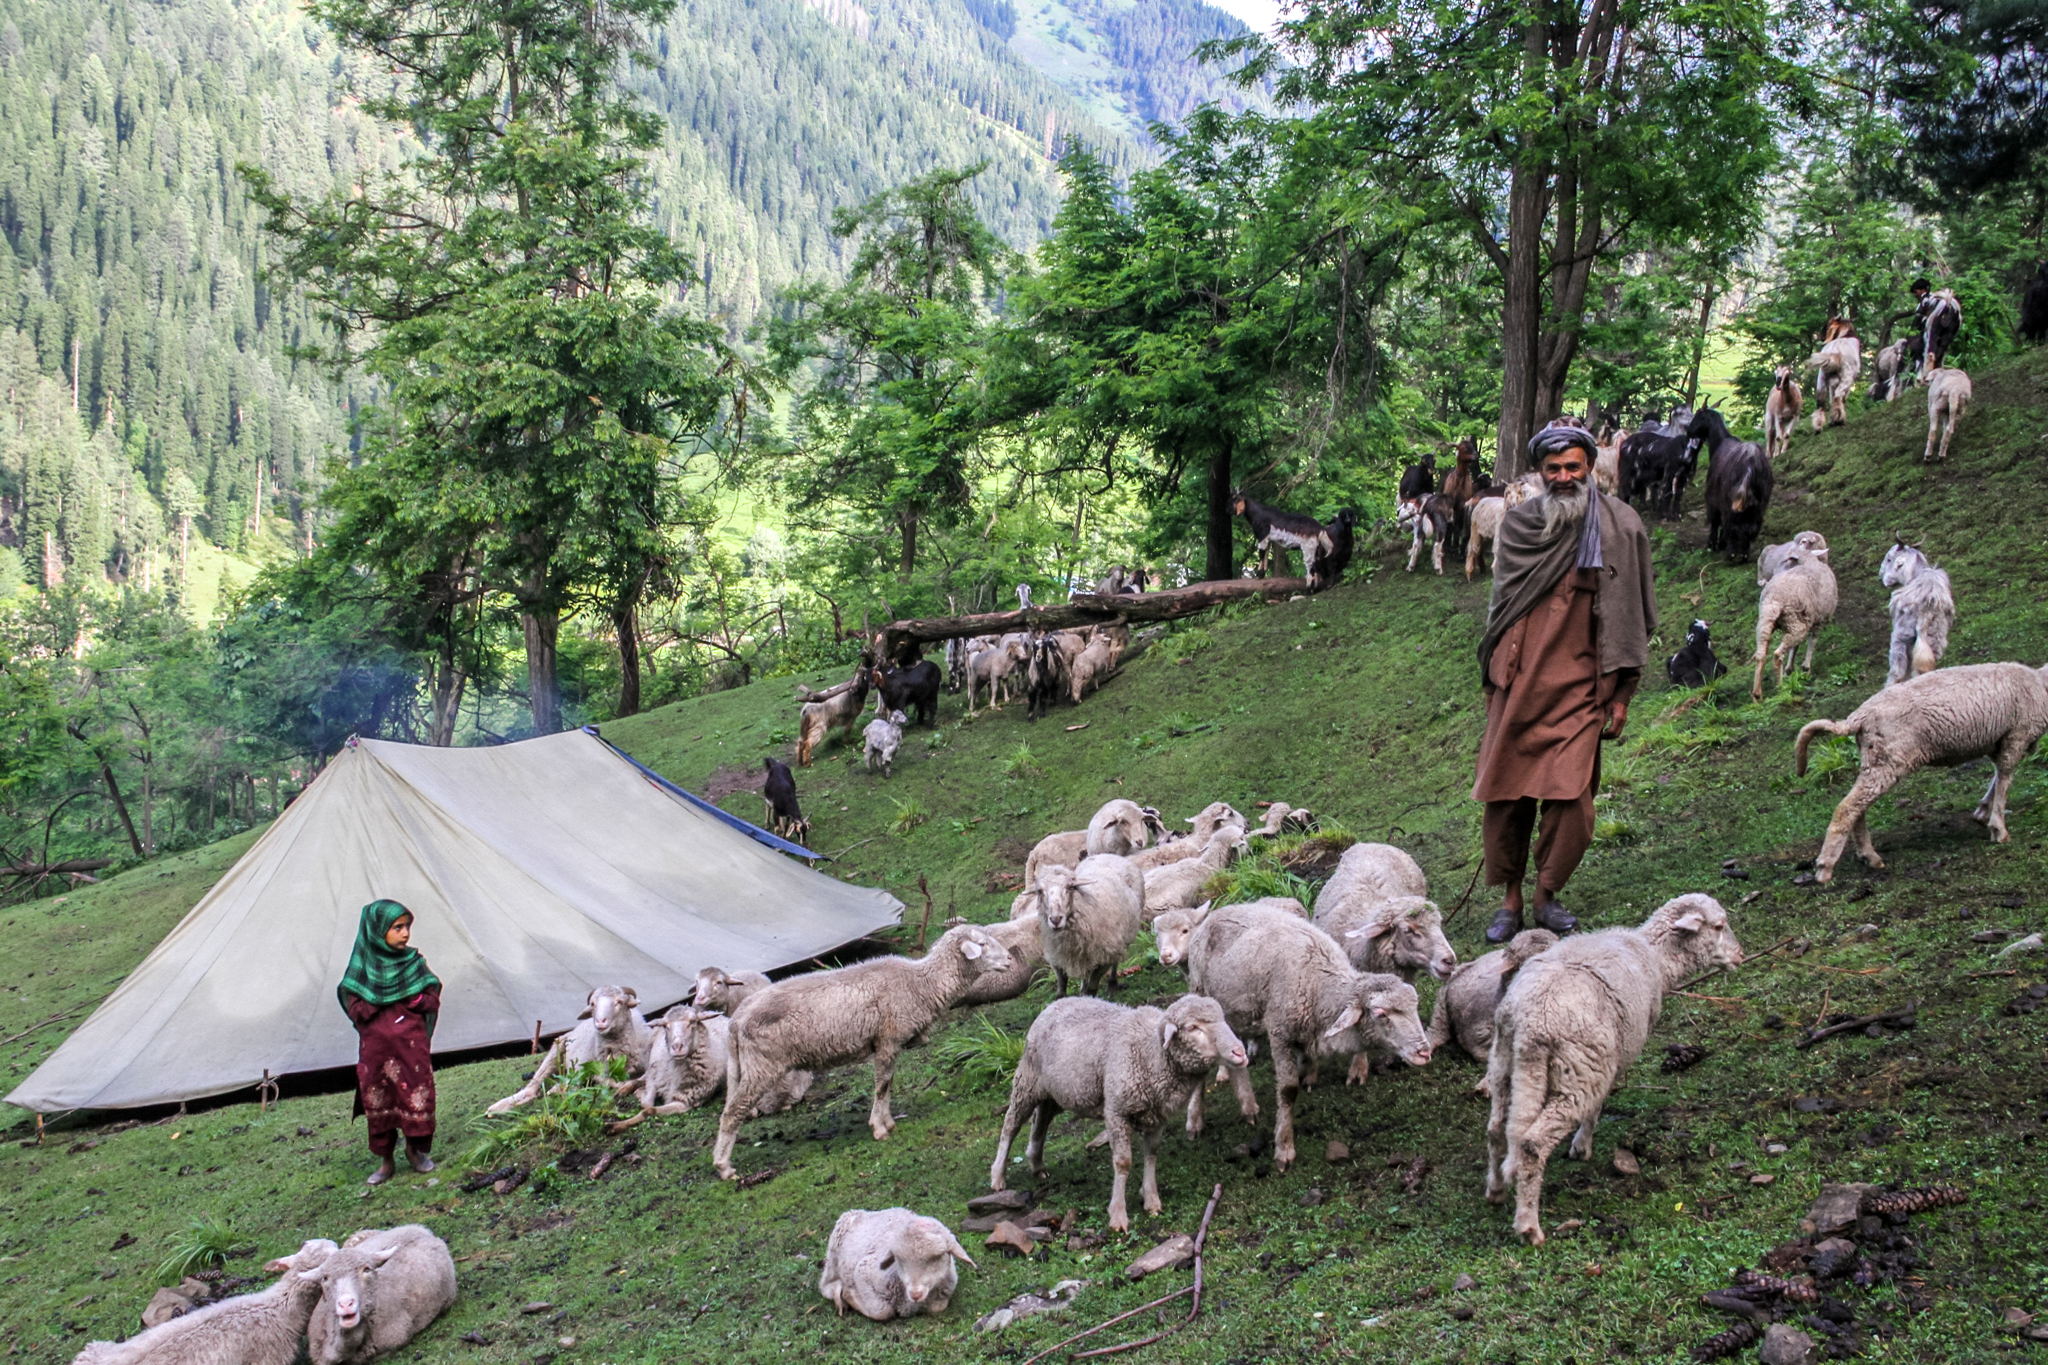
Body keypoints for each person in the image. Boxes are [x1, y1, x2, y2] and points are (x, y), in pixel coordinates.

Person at [1473, 425, 1657, 945]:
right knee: (1507, 798)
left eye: (1572, 467)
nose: (1562, 478)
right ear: (1539, 473)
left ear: (1590, 467)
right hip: (1519, 683)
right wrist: (1492, 680)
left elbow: (1631, 617)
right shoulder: (1520, 526)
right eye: (1552, 469)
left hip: (1580, 688)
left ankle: (1546, 895)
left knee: (1572, 801)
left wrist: (1621, 694)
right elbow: (1500, 611)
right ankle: (1509, 899)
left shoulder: (1621, 526)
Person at [337, 899, 441, 1185]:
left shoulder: (414, 963)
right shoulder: (363, 967)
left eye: (407, 926)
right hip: (377, 1052)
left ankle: (414, 1151)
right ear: (376, 930)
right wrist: (375, 1002)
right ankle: (386, 1161)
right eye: (397, 927)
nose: (405, 933)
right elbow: (352, 1002)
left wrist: (416, 999)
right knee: (379, 1098)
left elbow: (431, 996)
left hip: (411, 1048)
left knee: (415, 1096)